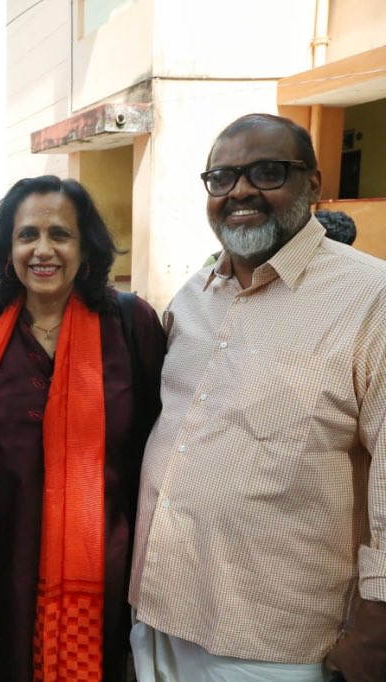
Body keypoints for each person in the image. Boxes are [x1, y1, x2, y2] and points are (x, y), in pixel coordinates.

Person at [130, 113, 386, 682]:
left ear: (314, 184)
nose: (240, 190)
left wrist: (374, 632)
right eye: (221, 177)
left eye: (267, 172)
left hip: (277, 641)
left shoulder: (372, 300)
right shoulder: (194, 295)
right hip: (160, 616)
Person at [0, 175, 165, 680]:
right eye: (28, 235)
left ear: (85, 246)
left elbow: (159, 438)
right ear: (7, 249)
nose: (43, 250)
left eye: (60, 234)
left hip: (101, 562)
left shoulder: (130, 326)